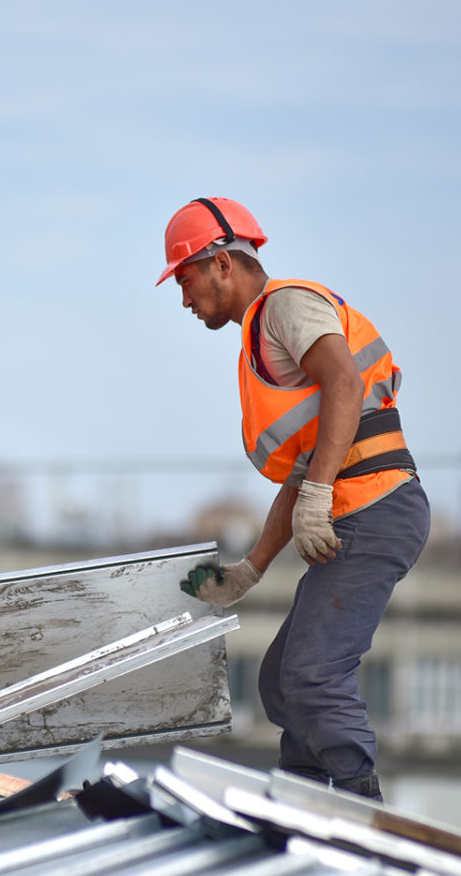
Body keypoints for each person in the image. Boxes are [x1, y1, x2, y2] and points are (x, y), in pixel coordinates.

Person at [159, 197, 430, 801]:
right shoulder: (263, 336)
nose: (183, 298)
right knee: (281, 681)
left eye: (185, 278)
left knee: (312, 676)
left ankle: (362, 811)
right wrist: (250, 570)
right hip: (360, 506)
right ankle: (305, 798)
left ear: (223, 264)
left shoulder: (283, 308)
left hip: (375, 505)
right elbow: (308, 467)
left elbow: (345, 381)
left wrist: (317, 495)